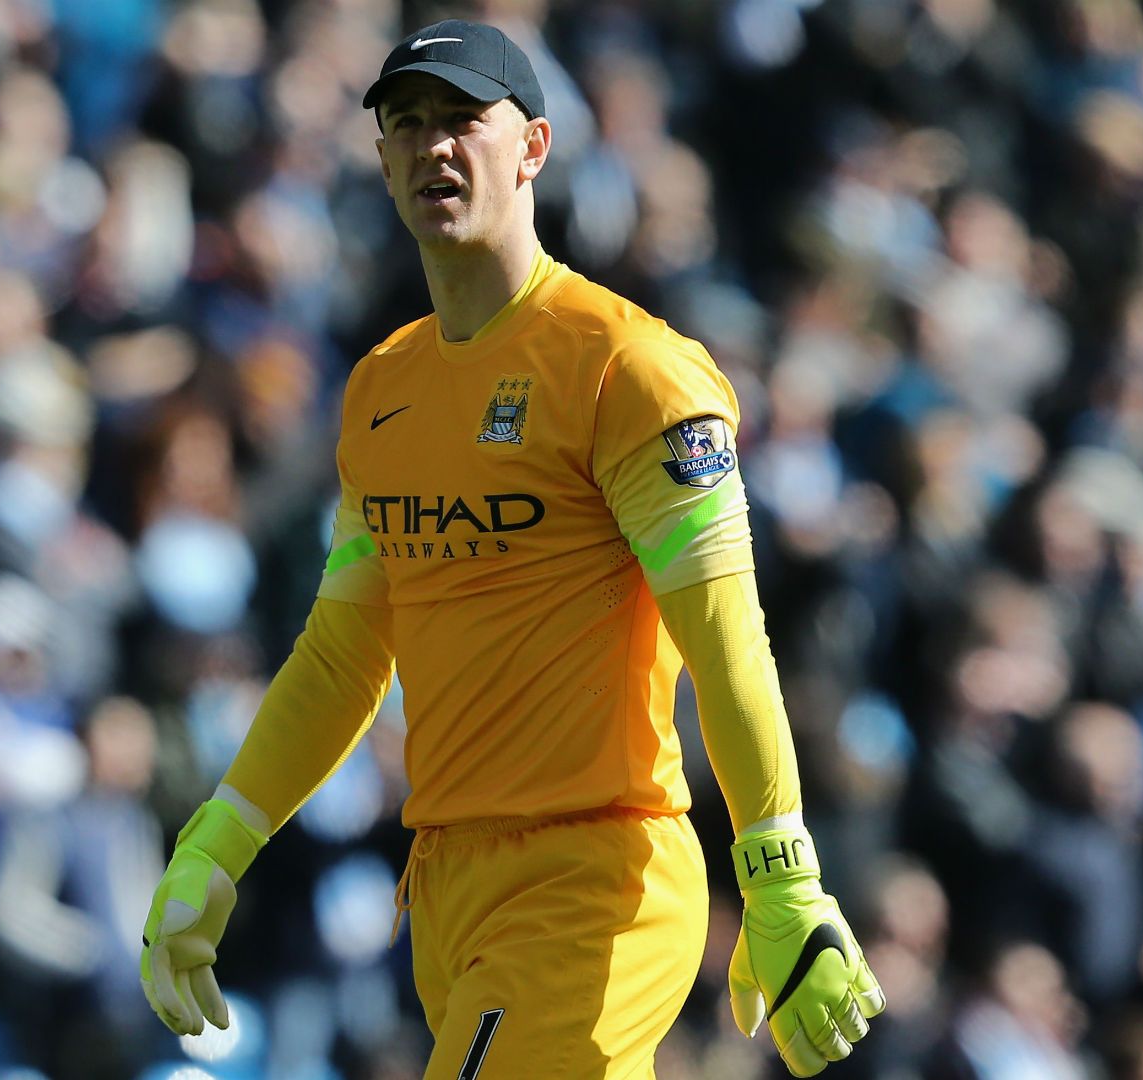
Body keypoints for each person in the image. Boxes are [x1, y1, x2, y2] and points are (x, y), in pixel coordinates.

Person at [139, 20, 884, 1078]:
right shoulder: (381, 391)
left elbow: (727, 637)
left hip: (594, 876)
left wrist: (778, 870)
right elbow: (346, 654)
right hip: (443, 887)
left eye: (462, 121)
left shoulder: (629, 369)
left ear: (532, 147)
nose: (434, 147)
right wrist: (220, 839)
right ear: (384, 158)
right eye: (407, 126)